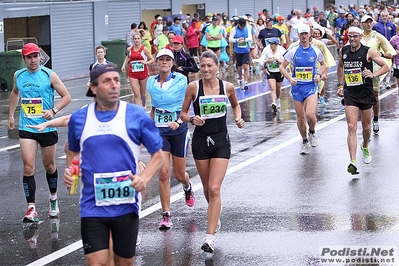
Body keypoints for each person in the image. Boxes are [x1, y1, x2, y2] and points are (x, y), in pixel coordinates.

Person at [64, 64, 164, 265]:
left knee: (124, 263)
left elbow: (158, 155)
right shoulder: (79, 119)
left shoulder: (135, 115)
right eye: (107, 81)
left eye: (117, 80)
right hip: (92, 206)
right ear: (93, 88)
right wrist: (71, 173)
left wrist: (144, 178)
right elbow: (73, 152)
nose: (114, 85)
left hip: (125, 206)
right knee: (96, 262)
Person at [180, 51, 245, 253]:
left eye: (210, 65)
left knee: (215, 188)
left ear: (217, 66)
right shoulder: (193, 87)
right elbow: (182, 113)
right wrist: (192, 119)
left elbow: (236, 105)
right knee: (208, 189)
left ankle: (210, 237)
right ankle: (215, 213)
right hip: (201, 141)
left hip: (220, 141)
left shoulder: (227, 87)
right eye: (203, 66)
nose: (206, 69)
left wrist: (238, 118)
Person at [7, 43, 71, 222]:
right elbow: (14, 92)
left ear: (39, 57)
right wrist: (11, 115)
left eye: (36, 56)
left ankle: (53, 199)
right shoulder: (18, 75)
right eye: (29, 57)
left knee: (49, 166)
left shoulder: (49, 75)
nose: (33, 60)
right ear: (24, 59)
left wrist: (54, 111)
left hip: (47, 127)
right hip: (27, 127)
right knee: (28, 168)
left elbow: (67, 97)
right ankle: (31, 208)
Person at [146, 48, 195, 230]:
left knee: (179, 174)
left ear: (173, 63)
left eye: (168, 59)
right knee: (164, 173)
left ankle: (187, 186)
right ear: (157, 63)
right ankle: (166, 214)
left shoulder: (181, 80)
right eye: (161, 59)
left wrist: (178, 120)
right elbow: (154, 107)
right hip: (160, 131)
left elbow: (187, 104)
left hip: (178, 130)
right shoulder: (151, 82)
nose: (164, 62)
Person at [336, 27, 389, 175]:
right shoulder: (343, 52)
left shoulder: (368, 51)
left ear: (360, 37)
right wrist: (340, 85)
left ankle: (365, 145)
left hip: (366, 93)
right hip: (350, 94)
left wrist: (373, 74)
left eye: (355, 37)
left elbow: (385, 66)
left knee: (366, 128)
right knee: (352, 127)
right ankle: (353, 161)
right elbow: (340, 66)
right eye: (350, 37)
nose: (352, 39)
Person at [279, 24, 326, 155]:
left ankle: (312, 131)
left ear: (310, 34)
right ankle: (305, 141)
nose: (304, 36)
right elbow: (282, 67)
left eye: (306, 33)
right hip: (297, 87)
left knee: (310, 115)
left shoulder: (316, 50)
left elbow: (324, 65)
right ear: (298, 35)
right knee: (300, 118)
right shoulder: (293, 51)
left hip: (311, 86)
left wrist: (319, 75)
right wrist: (289, 79)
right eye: (301, 34)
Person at [360, 15, 396, 135]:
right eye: (366, 22)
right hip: (358, 71)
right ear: (362, 24)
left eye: (370, 22)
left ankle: (375, 119)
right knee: (360, 97)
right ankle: (365, 123)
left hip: (374, 71)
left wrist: (380, 54)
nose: (368, 24)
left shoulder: (378, 36)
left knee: (374, 96)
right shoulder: (358, 36)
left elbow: (391, 53)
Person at [121, 32, 154, 108]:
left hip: (143, 73)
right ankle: (138, 109)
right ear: (133, 40)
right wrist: (123, 65)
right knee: (136, 93)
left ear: (141, 39)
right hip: (133, 73)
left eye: (138, 39)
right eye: (135, 39)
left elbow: (152, 59)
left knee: (143, 93)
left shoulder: (144, 49)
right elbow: (128, 57)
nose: (136, 40)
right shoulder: (129, 49)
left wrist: (146, 62)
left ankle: (144, 106)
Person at [254, 37, 286, 110]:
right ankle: (273, 102)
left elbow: (285, 62)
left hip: (279, 71)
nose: (271, 46)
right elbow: (262, 59)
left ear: (276, 45)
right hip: (270, 71)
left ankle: (277, 99)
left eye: (273, 44)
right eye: (270, 44)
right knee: (272, 88)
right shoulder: (266, 49)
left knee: (278, 88)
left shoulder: (282, 50)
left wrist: (278, 60)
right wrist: (268, 61)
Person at [229, 17, 254, 90]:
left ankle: (246, 82)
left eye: (244, 26)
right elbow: (230, 39)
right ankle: (240, 79)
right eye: (241, 26)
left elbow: (250, 38)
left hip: (246, 50)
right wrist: (237, 40)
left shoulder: (247, 28)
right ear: (238, 24)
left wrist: (244, 40)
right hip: (238, 51)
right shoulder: (234, 29)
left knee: (245, 66)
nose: (243, 27)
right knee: (239, 68)